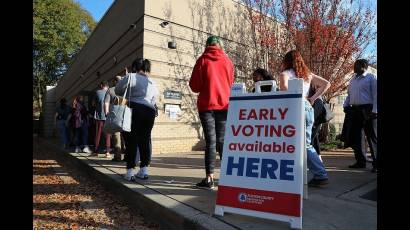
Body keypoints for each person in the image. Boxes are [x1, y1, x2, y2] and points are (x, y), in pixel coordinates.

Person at [279, 50, 330, 187]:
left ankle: (320, 175)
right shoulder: (308, 75)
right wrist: (312, 98)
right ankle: (306, 173)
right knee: (304, 143)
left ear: (287, 61)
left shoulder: (285, 74)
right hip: (308, 109)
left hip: (294, 109)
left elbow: (284, 91)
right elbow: (326, 84)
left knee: (300, 144)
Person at [189, 35, 234, 189]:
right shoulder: (228, 62)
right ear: (220, 45)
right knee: (222, 141)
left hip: (207, 106)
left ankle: (209, 179)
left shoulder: (202, 60)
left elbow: (194, 86)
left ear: (207, 45)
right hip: (224, 105)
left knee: (211, 141)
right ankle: (228, 177)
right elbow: (231, 83)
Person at [115, 58, 158, 180]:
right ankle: (144, 170)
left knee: (131, 140)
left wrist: (125, 77)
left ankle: (130, 172)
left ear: (134, 67)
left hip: (134, 109)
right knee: (145, 140)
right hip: (149, 111)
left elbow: (117, 90)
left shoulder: (131, 76)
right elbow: (154, 100)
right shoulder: (152, 82)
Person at [343, 59, 377, 173]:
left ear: (363, 66)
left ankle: (376, 164)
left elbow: (376, 95)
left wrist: (375, 110)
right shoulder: (353, 79)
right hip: (355, 110)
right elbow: (349, 94)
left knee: (372, 137)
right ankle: (360, 161)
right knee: (357, 137)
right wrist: (346, 105)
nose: (354, 67)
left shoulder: (371, 78)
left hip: (368, 109)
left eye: (356, 65)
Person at [104, 76, 123, 162]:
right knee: (125, 136)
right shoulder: (125, 90)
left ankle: (118, 156)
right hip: (125, 115)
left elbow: (106, 103)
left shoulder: (111, 90)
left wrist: (107, 113)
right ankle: (128, 156)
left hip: (115, 115)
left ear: (115, 81)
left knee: (116, 135)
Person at [92, 81, 111, 158]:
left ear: (101, 85)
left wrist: (97, 105)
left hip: (99, 116)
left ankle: (96, 151)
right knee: (107, 134)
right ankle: (107, 152)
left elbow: (93, 104)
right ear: (107, 86)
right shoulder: (110, 92)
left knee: (98, 134)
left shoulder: (97, 92)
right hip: (108, 116)